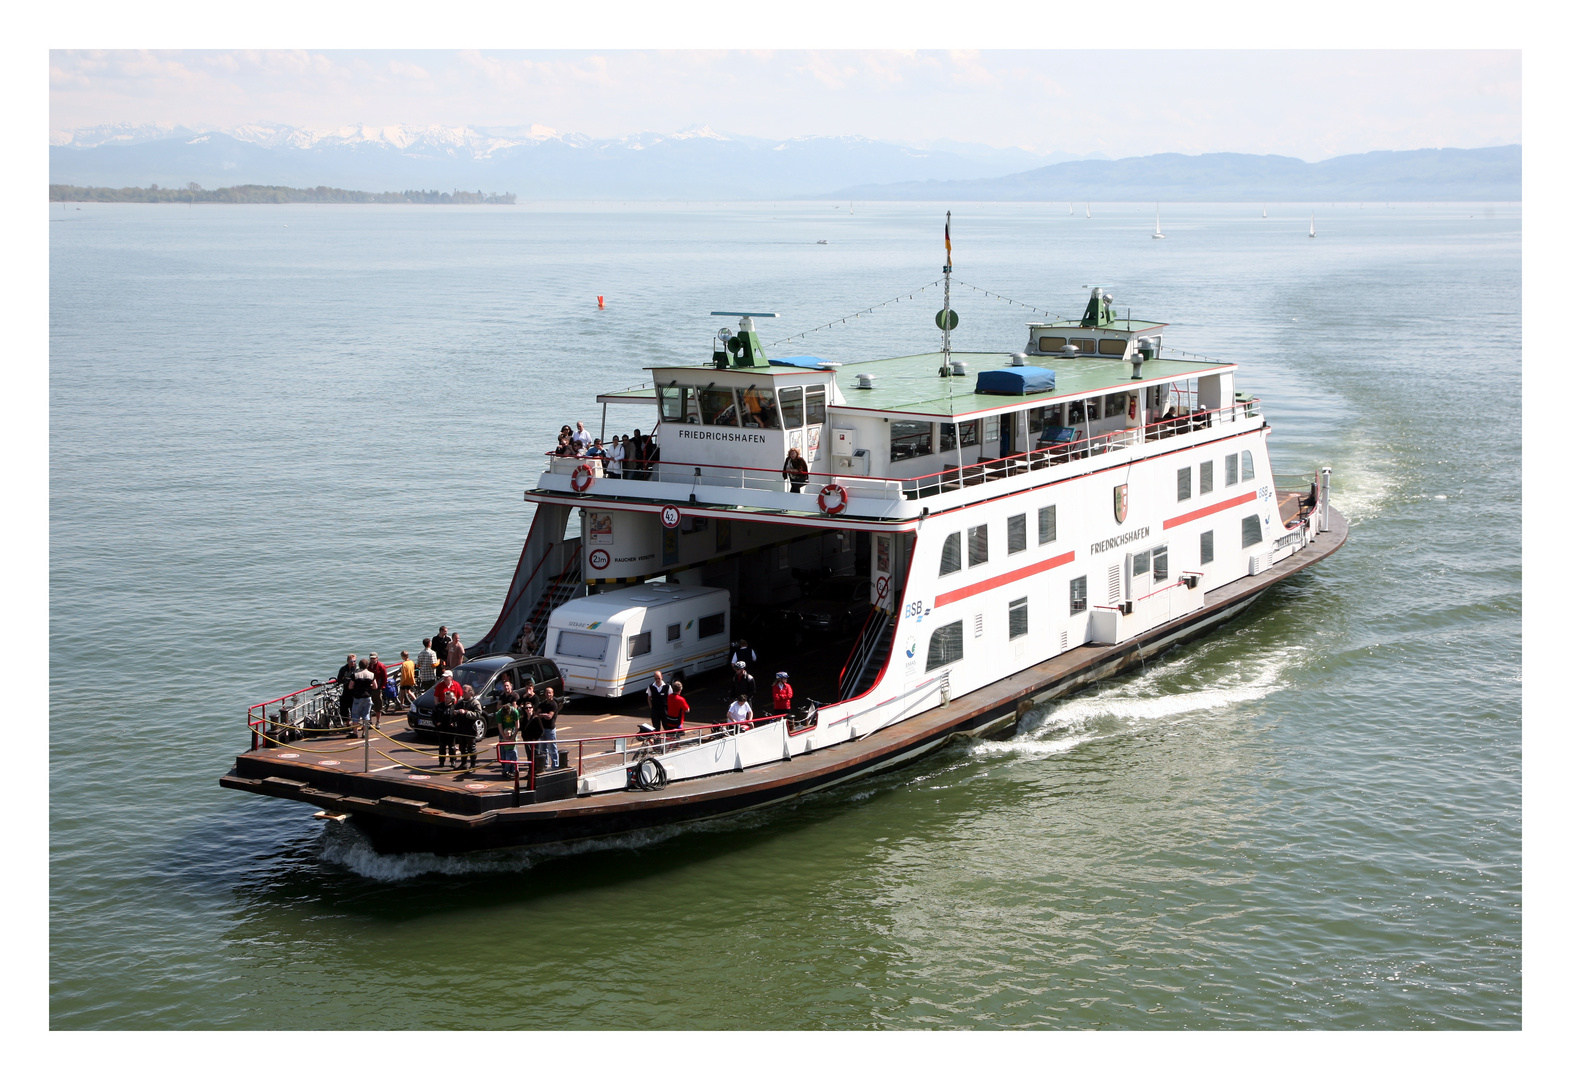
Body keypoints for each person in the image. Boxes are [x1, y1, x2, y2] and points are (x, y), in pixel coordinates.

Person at [431, 669, 462, 768]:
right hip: (442, 728)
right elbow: (434, 716)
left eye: (446, 677)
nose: (444, 679)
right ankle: (441, 761)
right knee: (442, 746)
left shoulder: (456, 686)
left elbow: (458, 717)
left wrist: (455, 724)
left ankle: (453, 761)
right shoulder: (440, 705)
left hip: (451, 729)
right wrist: (437, 722)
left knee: (452, 746)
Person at [452, 684, 482, 771]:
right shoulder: (460, 702)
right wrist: (455, 713)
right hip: (461, 729)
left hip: (470, 729)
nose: (462, 693)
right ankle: (463, 764)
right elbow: (454, 710)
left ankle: (473, 765)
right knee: (462, 747)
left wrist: (466, 712)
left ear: (470, 693)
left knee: (471, 748)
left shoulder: (475, 703)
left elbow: (478, 714)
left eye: (464, 692)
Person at [349, 658, 379, 736]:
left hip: (357, 697)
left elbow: (350, 686)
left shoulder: (355, 675)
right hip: (367, 696)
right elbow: (375, 686)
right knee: (366, 715)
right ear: (367, 665)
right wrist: (370, 686)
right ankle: (364, 733)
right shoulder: (371, 674)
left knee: (355, 715)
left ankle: (355, 732)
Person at [496, 693, 520, 778]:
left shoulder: (514, 711)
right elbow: (500, 726)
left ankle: (513, 769)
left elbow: (517, 725)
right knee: (504, 750)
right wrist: (504, 736)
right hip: (504, 729)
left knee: (513, 751)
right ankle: (505, 768)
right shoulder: (499, 714)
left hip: (512, 729)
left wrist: (513, 737)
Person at [537, 686, 561, 769]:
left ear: (552, 693)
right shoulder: (543, 704)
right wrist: (543, 714)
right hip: (542, 729)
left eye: (549, 692)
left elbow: (549, 716)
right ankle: (545, 764)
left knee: (552, 748)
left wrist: (542, 715)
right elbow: (536, 714)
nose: (548, 694)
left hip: (550, 729)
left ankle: (555, 765)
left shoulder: (553, 704)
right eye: (547, 692)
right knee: (543, 748)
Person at [335, 653, 359, 724]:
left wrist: (349, 680)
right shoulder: (343, 669)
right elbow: (339, 679)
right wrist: (347, 680)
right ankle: (347, 723)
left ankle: (354, 723)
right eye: (351, 661)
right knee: (343, 708)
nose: (353, 663)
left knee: (353, 709)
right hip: (345, 691)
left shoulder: (357, 669)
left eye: (354, 661)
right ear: (348, 661)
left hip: (354, 692)